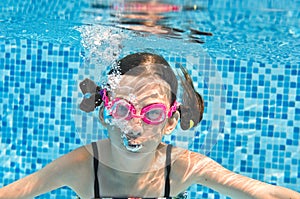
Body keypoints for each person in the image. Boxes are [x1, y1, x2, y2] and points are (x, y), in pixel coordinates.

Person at [0, 52, 299, 199]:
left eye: (152, 113)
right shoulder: (82, 166)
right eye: (121, 109)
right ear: (105, 114)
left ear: (170, 121)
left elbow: (266, 194)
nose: (133, 124)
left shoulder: (182, 167)